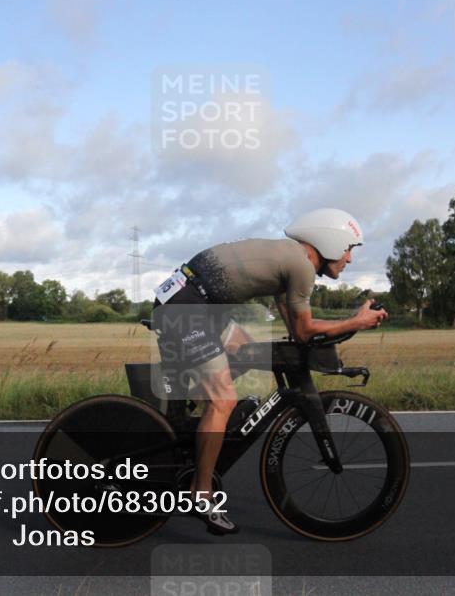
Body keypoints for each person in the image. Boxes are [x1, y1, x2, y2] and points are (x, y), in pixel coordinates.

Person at [151, 208, 389, 535]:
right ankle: (200, 495)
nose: (349, 258)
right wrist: (356, 322)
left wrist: (347, 325)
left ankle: (198, 414)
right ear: (331, 241)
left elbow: (295, 330)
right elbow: (305, 331)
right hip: (189, 308)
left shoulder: (290, 260)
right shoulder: (301, 266)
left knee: (247, 349)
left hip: (195, 302)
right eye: (349, 248)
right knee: (224, 400)